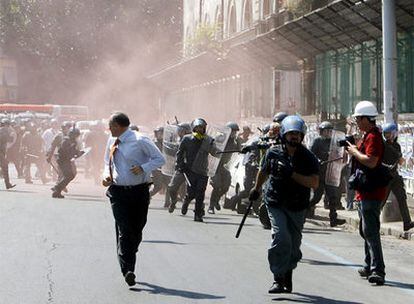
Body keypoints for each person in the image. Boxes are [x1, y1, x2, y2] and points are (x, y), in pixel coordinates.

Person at [249, 115, 319, 293]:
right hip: (276, 202)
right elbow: (263, 171)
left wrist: (292, 174)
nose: (294, 137)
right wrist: (256, 188)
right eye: (290, 134)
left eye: (297, 133)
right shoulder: (273, 152)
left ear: (302, 136)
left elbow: (314, 183)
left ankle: (288, 273)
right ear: (284, 135)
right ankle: (278, 278)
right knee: (281, 238)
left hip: (297, 205)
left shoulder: (308, 157)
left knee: (294, 246)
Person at [102, 112, 165, 287]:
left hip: (139, 192)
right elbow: (107, 161)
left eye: (112, 126)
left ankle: (130, 252)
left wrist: (143, 168)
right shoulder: (111, 140)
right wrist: (106, 176)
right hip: (118, 192)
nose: (110, 129)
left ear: (121, 126)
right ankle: (128, 269)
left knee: (137, 229)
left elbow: (160, 159)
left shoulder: (140, 140)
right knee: (124, 229)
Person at [345, 100, 387, 285]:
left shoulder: (373, 137)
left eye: (358, 119)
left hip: (372, 192)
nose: (357, 123)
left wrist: (354, 151)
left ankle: (378, 270)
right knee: (366, 230)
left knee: (370, 231)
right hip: (364, 191)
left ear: (366, 119)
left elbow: (371, 161)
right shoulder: (368, 135)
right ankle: (369, 264)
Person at [176, 118, 218, 222]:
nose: (199, 129)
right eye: (198, 127)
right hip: (190, 170)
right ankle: (187, 200)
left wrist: (216, 149)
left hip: (203, 171)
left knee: (200, 192)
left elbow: (214, 152)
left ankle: (198, 214)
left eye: (202, 128)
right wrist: (180, 164)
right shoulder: (186, 139)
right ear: (193, 128)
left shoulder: (208, 140)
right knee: (191, 193)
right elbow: (180, 153)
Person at [308, 121, 346, 227]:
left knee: (332, 197)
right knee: (317, 197)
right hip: (319, 174)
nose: (328, 133)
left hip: (330, 173)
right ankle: (304, 209)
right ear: (321, 131)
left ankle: (333, 219)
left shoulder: (334, 142)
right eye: (326, 131)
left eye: (330, 131)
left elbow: (340, 152)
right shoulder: (317, 141)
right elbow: (310, 155)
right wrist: (318, 160)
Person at [382, 122, 414, 231]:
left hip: (394, 176)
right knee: (381, 201)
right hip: (385, 176)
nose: (388, 136)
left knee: (402, 198)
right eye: (386, 133)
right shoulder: (383, 145)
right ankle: (372, 221)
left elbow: (400, 162)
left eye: (390, 133)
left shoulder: (397, 146)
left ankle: (407, 222)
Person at [208, 122, 241, 214]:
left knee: (226, 185)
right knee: (216, 185)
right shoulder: (220, 138)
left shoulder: (234, 142)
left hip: (224, 166)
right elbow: (212, 147)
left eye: (235, 132)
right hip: (215, 166)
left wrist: (238, 141)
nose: (234, 133)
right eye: (233, 131)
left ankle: (217, 199)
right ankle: (211, 206)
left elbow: (239, 151)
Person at [51, 128, 84, 198]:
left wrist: (79, 153)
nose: (76, 137)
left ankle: (57, 191)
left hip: (66, 160)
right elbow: (66, 151)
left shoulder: (73, 142)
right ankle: (57, 188)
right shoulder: (66, 141)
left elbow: (73, 151)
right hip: (62, 160)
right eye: (76, 135)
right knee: (69, 175)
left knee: (69, 175)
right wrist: (75, 153)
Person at [0, 119, 16, 189]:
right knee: (5, 167)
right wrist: (12, 135)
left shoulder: (2, 130)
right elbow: (10, 139)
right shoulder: (3, 131)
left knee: (4, 167)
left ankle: (8, 184)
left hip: (2, 151)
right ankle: (7, 184)